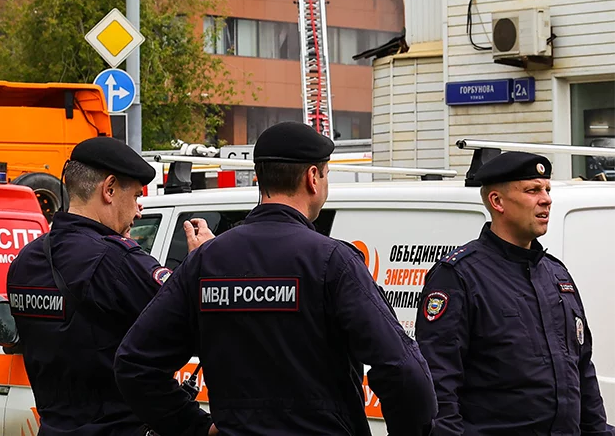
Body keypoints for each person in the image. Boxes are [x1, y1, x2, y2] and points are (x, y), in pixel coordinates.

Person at [115, 121, 436, 436]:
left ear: (259, 178)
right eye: (326, 175)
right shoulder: (332, 262)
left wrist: (195, 426)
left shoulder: (204, 261)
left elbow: (135, 365)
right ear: (313, 178)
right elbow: (402, 371)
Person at [5, 136, 214, 436]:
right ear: (110, 189)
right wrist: (203, 263)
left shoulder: (26, 261)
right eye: (136, 196)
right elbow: (191, 317)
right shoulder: (117, 262)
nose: (138, 211)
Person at [416, 152, 614, 435]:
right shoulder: (459, 276)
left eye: (547, 190)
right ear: (497, 202)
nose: (546, 199)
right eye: (532, 190)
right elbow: (438, 383)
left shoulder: (556, 275)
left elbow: (582, 371)